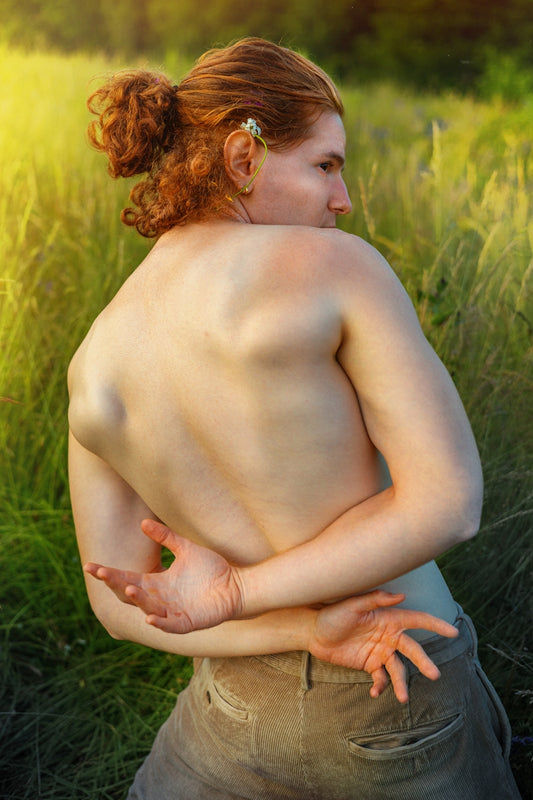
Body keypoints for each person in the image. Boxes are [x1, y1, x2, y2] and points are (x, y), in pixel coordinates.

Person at [68, 37, 520, 799]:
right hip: (395, 681)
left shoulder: (94, 360)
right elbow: (448, 504)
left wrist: (299, 630)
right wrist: (237, 594)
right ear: (242, 157)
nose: (342, 200)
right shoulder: (335, 267)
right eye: (325, 165)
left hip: (233, 709)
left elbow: (118, 604)